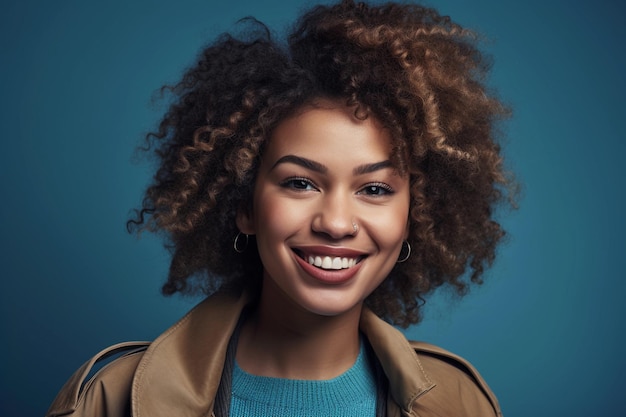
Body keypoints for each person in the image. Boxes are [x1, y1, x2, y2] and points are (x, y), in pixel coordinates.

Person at [47, 1, 515, 416]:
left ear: (413, 214)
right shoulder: (109, 400)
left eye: (373, 189)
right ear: (244, 205)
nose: (335, 223)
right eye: (299, 182)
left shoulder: (460, 404)